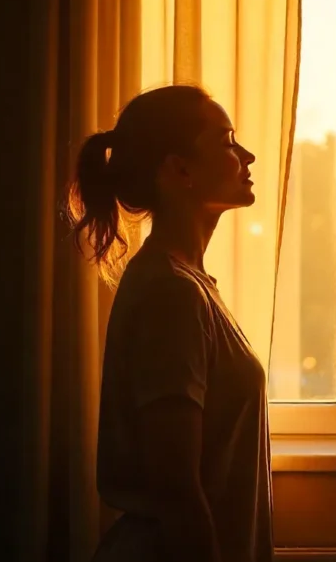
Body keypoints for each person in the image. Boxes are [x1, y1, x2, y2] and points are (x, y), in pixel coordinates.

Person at [66, 84, 272, 562]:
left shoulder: (190, 284)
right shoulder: (171, 294)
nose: (248, 155)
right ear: (179, 170)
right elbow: (176, 486)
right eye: (226, 141)